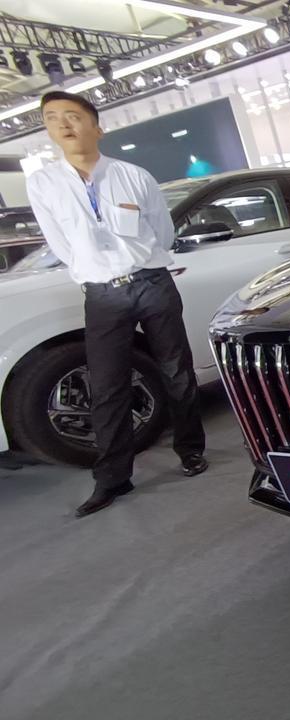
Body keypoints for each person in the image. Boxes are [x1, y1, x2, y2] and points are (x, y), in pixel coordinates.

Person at [26, 91, 208, 518]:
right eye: (52, 118)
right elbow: (60, 242)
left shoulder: (133, 175)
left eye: (73, 116)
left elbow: (162, 235)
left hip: (152, 283)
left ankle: (191, 450)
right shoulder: (43, 183)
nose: (63, 125)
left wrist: (131, 259)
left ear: (96, 126)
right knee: (107, 385)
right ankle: (112, 478)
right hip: (103, 293)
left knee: (176, 371)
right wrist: (97, 268)